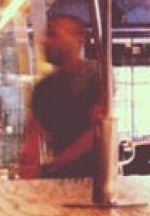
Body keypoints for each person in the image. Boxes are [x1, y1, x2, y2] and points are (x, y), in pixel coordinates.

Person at [20, 14, 102, 178]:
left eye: (53, 34)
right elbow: (33, 139)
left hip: (93, 181)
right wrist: (29, 167)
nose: (44, 41)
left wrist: (52, 166)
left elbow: (98, 132)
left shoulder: (96, 75)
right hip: (56, 180)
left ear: (78, 40)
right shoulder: (43, 88)